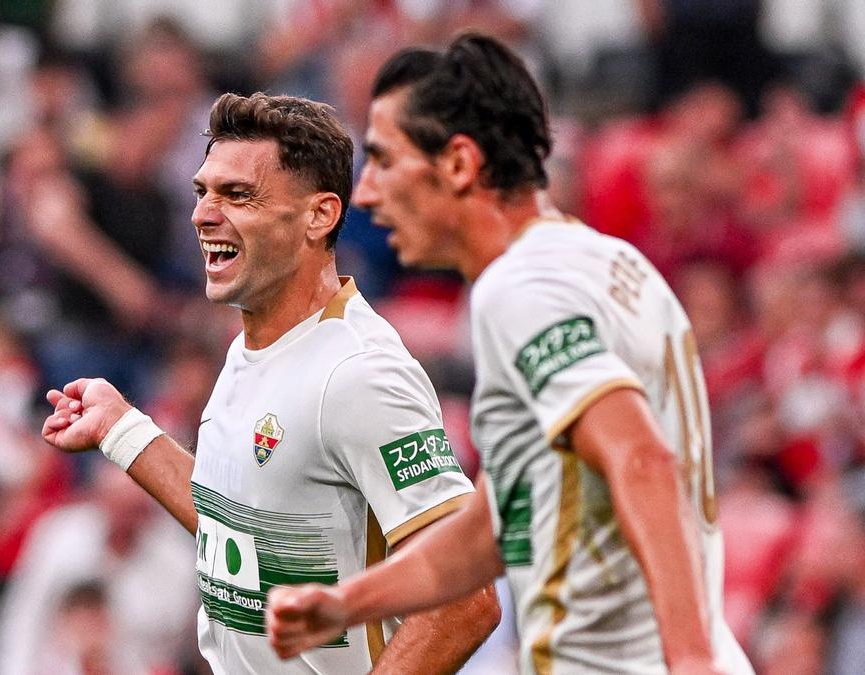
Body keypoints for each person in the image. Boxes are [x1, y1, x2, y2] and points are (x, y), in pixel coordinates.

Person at [265, 33, 755, 675]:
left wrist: (690, 659)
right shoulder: (609, 264)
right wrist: (346, 604)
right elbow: (495, 524)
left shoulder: (518, 290)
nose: (365, 193)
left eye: (384, 160)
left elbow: (640, 456)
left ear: (460, 164)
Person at [42, 92, 500, 673]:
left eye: (238, 195)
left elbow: (465, 599)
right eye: (202, 191)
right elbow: (238, 532)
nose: (204, 214)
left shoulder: (358, 374)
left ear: (320, 215)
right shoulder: (251, 348)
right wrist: (123, 429)